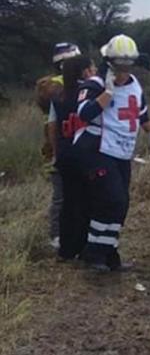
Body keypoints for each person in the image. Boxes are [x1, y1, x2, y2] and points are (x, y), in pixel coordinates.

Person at [74, 34, 150, 271]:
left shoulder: (134, 84)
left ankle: (109, 253)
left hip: (122, 152)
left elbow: (141, 112)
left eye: (128, 65)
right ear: (109, 62)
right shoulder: (95, 85)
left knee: (121, 205)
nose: (124, 71)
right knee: (110, 200)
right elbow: (83, 114)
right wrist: (107, 94)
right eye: (119, 66)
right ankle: (94, 254)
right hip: (97, 151)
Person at [51, 54, 97, 261]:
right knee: (88, 201)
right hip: (86, 153)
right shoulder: (88, 93)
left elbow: (52, 126)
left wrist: (56, 152)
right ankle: (85, 246)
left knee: (68, 202)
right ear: (84, 71)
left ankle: (66, 249)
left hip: (64, 153)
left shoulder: (58, 96)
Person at [38, 42, 79, 249]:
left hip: (67, 146)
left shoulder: (61, 84)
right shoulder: (55, 87)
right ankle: (56, 235)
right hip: (59, 147)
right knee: (61, 196)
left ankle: (67, 233)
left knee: (69, 195)